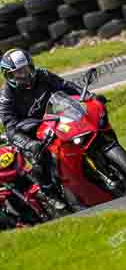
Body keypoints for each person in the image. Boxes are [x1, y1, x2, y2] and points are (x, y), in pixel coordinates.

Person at [0, 48, 82, 209]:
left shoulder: (43, 75)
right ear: (8, 75)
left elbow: (67, 86)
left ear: (31, 66)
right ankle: (50, 193)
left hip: (55, 118)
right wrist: (29, 143)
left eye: (25, 70)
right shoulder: (6, 97)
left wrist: (87, 96)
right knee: (39, 158)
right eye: (17, 73)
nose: (23, 75)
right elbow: (10, 128)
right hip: (30, 133)